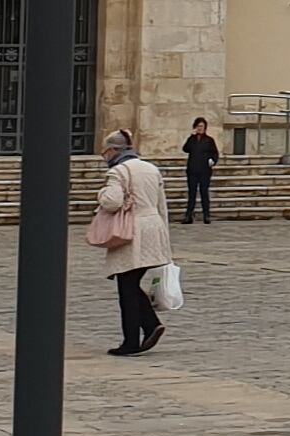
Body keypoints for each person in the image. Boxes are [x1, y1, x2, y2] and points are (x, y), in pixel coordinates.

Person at [89, 126, 172, 356]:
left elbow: (112, 202)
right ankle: (150, 325)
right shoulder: (150, 168)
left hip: (130, 231)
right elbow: (161, 204)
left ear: (114, 150)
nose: (105, 157)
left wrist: (100, 194)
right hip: (152, 227)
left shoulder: (118, 172)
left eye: (105, 152)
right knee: (131, 283)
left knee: (126, 286)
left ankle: (132, 339)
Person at [180, 117, 220, 226]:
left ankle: (206, 215)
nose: (200, 128)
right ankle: (189, 215)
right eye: (198, 126)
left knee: (204, 192)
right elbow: (185, 149)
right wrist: (191, 136)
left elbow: (215, 153)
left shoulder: (209, 140)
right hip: (192, 170)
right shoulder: (192, 139)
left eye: (201, 126)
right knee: (192, 193)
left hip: (204, 171)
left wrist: (213, 161)